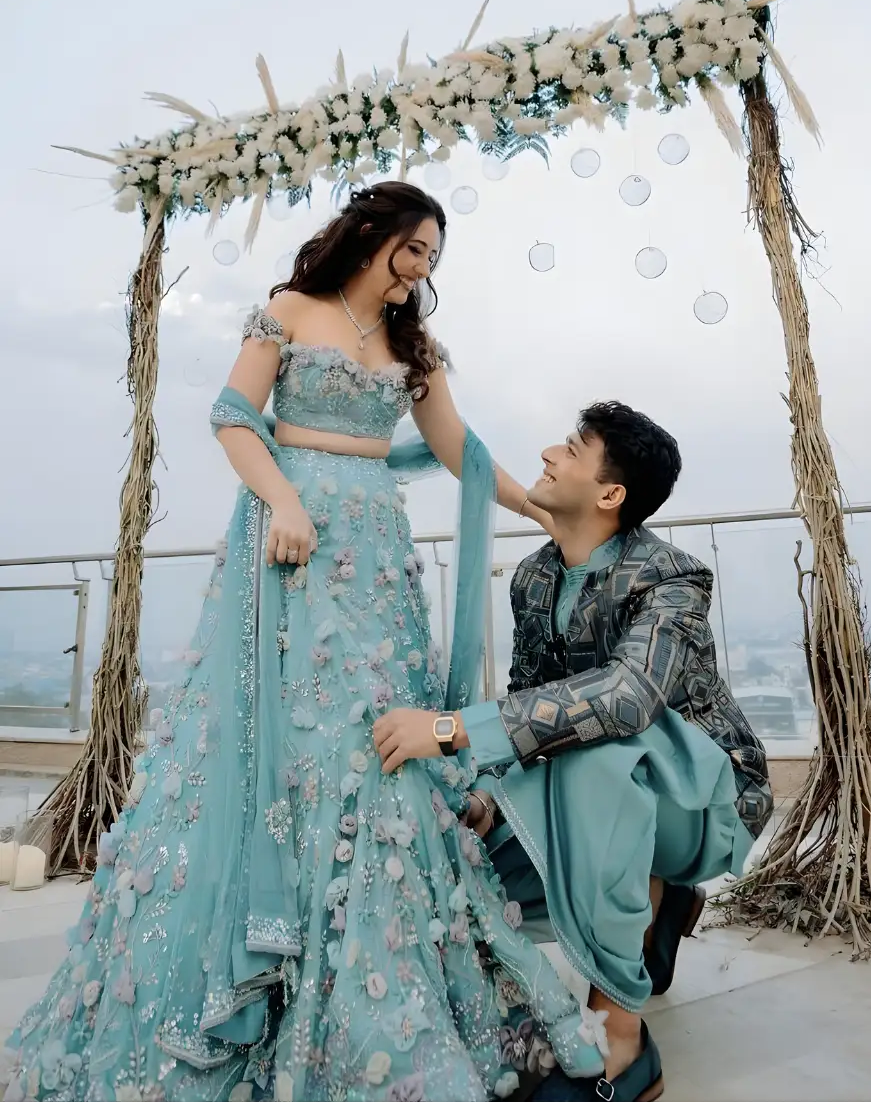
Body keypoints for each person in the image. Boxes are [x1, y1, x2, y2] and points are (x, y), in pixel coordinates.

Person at [1, 183, 608, 1102]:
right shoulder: (288, 311)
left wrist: (540, 508)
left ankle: (377, 979)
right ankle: (250, 972)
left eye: (434, 259)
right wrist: (282, 499)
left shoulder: (416, 349)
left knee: (374, 754)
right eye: (416, 249)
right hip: (289, 552)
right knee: (283, 747)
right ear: (371, 236)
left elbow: (457, 448)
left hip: (373, 555)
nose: (423, 270)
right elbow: (233, 417)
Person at [374, 400, 774, 1102]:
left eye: (570, 448)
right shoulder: (534, 577)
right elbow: (532, 698)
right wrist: (489, 798)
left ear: (610, 493)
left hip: (709, 797)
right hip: (609, 794)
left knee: (599, 751)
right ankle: (660, 903)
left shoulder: (673, 577)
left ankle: (621, 1033)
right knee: (467, 856)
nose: (548, 455)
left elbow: (627, 697)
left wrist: (447, 727)